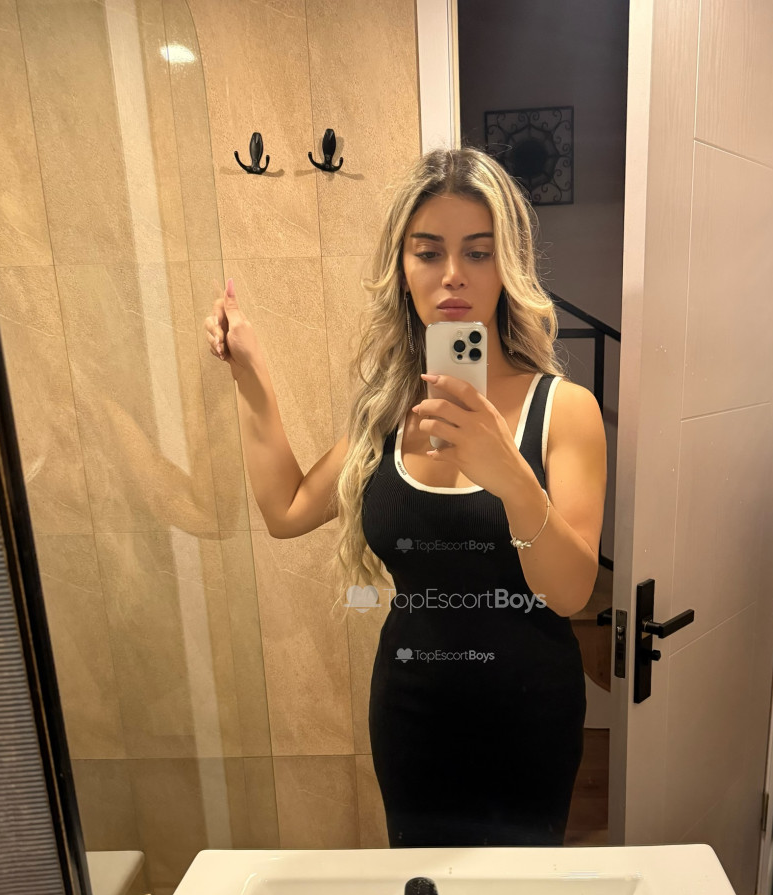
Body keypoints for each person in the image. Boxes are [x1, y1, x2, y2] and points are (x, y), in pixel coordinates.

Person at [204, 147, 606, 848]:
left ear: (507, 268)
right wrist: (251, 375)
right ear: (402, 268)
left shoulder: (564, 410)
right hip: (411, 711)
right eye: (429, 252)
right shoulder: (386, 415)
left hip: (528, 714)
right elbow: (287, 510)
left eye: (478, 252)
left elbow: (571, 592)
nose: (453, 274)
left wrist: (508, 471)